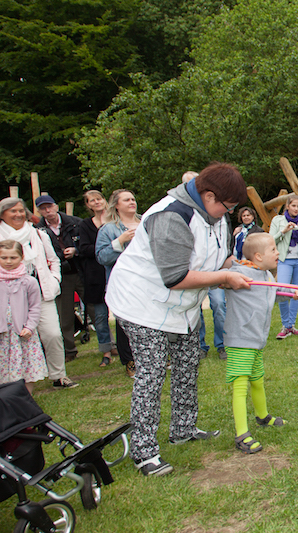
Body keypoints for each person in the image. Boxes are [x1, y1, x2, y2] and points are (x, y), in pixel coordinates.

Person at [105, 162, 250, 477]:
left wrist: (235, 266)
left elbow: (215, 256)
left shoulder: (215, 214)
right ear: (208, 194)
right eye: (227, 206)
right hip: (142, 303)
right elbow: (174, 276)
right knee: (153, 371)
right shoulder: (171, 215)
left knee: (188, 361)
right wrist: (222, 276)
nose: (228, 212)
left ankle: (183, 429)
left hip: (181, 307)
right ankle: (145, 452)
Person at [0, 197, 77, 389]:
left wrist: (55, 280)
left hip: (40, 293)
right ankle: (13, 381)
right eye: (13, 211)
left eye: (20, 211)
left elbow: (55, 260)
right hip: (8, 298)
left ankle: (58, 375)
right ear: (3, 214)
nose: (18, 214)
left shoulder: (38, 235)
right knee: (11, 339)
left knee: (52, 334)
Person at [224, 232, 286, 454]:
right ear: (258, 256)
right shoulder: (238, 274)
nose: (278, 253)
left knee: (257, 379)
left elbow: (269, 294)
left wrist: (291, 295)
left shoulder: (267, 275)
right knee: (240, 386)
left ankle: (263, 416)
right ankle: (242, 434)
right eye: (273, 250)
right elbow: (219, 278)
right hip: (241, 338)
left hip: (257, 339)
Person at [182, 172, 228, 360]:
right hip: (192, 274)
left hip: (215, 272)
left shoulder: (219, 212)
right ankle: (200, 345)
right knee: (195, 308)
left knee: (218, 304)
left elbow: (225, 243)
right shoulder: (181, 213)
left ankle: (222, 344)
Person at [33, 195, 85, 363]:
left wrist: (75, 250)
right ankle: (70, 349)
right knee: (65, 315)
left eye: (49, 206)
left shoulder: (75, 222)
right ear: (39, 211)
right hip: (61, 275)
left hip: (80, 270)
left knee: (94, 307)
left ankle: (109, 345)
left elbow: (87, 244)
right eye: (43, 208)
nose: (47, 210)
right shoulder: (37, 230)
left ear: (56, 206)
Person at [95, 189, 140, 378]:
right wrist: (119, 241)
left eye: (133, 199)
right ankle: (130, 361)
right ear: (116, 205)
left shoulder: (146, 221)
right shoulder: (108, 229)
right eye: (126, 200)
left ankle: (156, 357)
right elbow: (101, 257)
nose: (131, 202)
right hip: (123, 283)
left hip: (148, 281)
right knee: (126, 323)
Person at [0, 240, 47, 394]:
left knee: (26, 365)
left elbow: (35, 307)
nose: (8, 261)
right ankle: (6, 400)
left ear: (21, 257)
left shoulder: (29, 282)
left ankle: (26, 398)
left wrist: (29, 327)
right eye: (4, 257)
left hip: (21, 333)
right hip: (2, 334)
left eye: (13, 257)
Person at [78, 191, 115, 367]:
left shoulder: (115, 221)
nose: (97, 202)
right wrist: (105, 248)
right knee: (100, 317)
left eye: (99, 198)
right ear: (88, 205)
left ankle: (123, 347)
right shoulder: (85, 225)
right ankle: (106, 351)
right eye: (92, 200)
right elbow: (83, 249)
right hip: (96, 275)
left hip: (116, 273)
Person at [270, 194, 298, 340]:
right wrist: (284, 231)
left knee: (297, 292)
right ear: (287, 206)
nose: (296, 209)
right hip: (284, 260)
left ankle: (291, 326)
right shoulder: (278, 220)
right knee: (283, 292)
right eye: (293, 205)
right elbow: (271, 240)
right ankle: (285, 326)